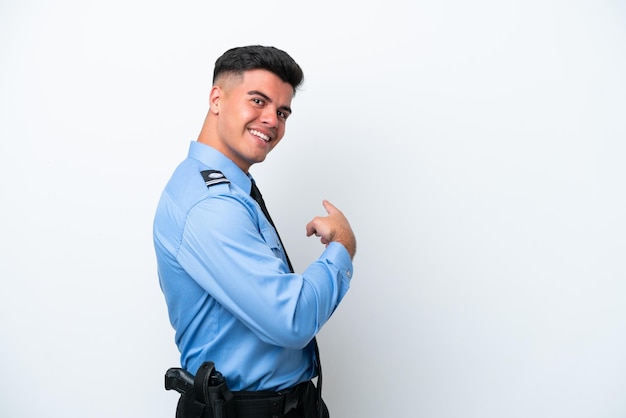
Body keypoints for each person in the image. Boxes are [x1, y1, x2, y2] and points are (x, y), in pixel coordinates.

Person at [153, 45, 357, 418]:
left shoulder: (229, 190)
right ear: (217, 98)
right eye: (258, 101)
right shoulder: (210, 205)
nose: (272, 121)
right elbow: (290, 320)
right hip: (244, 411)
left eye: (281, 112)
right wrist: (342, 247)